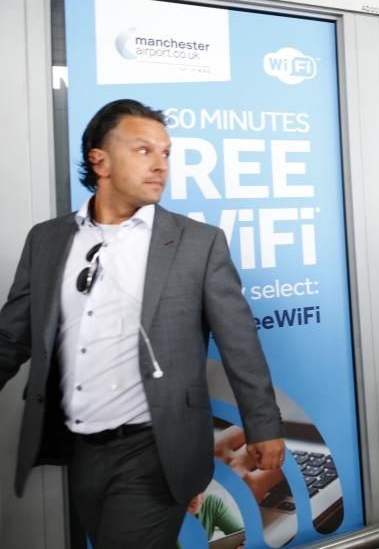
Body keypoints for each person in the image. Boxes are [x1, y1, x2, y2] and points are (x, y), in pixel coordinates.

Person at [0, 99, 285, 548]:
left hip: (157, 447)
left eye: (166, 153)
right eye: (143, 150)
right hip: (80, 447)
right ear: (100, 160)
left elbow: (239, 341)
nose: (161, 165)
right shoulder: (48, 239)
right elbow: (12, 335)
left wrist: (264, 425)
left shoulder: (198, 243)